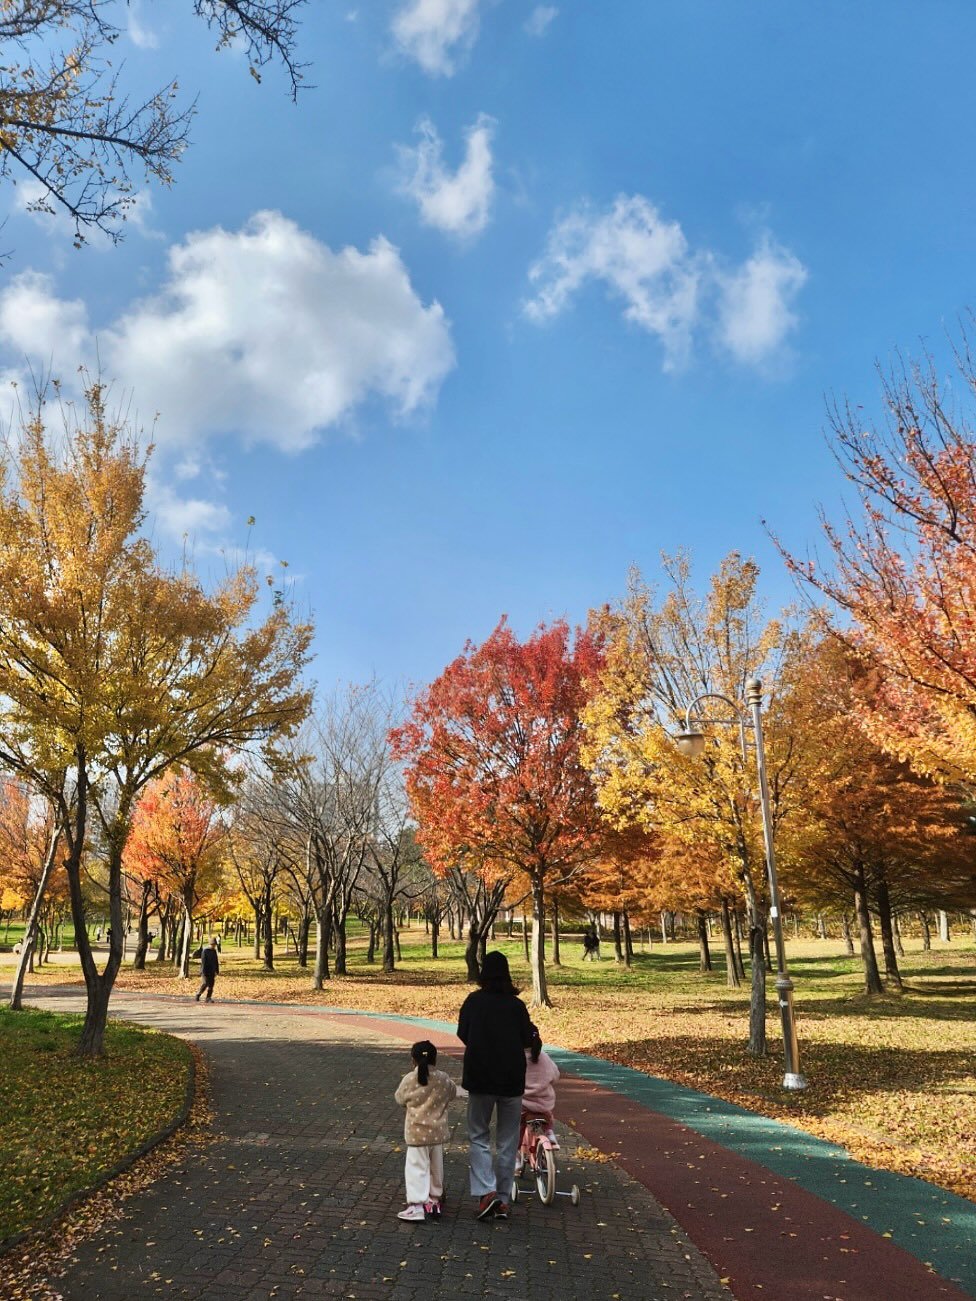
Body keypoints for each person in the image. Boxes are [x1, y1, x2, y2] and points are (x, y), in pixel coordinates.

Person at [457, 951, 533, 1221]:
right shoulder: (516, 1005)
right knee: (507, 1141)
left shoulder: (473, 1002)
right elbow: (527, 1038)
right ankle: (501, 1198)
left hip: (480, 1077)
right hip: (512, 1080)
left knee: (478, 1135)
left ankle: (486, 1192)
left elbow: (462, 1033)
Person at [393, 1041, 466, 1222]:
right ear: (435, 1058)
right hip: (437, 1132)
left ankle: (417, 1205)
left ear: (413, 1059)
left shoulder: (410, 1079)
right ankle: (434, 1200)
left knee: (417, 1167)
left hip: (417, 1133)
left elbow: (400, 1098)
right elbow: (451, 1093)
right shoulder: (442, 1078)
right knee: (436, 1167)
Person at [517, 1024, 561, 1174]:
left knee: (516, 1126)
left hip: (523, 1104)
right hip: (543, 1104)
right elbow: (555, 1076)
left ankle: (515, 1156)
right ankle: (549, 1133)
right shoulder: (544, 1057)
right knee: (548, 1117)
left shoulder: (517, 1058)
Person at [195, 937, 220, 1002]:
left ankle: (208, 997)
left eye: (215, 945)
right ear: (210, 944)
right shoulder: (205, 951)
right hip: (205, 971)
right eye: (213, 945)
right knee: (205, 983)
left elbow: (216, 961)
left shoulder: (214, 951)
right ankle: (198, 994)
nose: (214, 946)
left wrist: (217, 970)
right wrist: (203, 972)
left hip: (212, 971)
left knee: (211, 985)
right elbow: (203, 962)